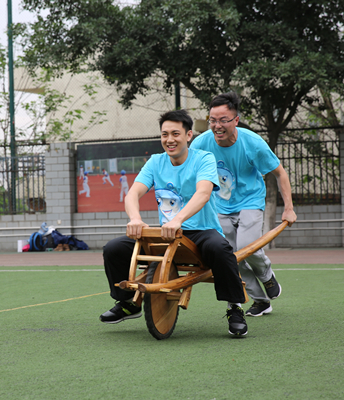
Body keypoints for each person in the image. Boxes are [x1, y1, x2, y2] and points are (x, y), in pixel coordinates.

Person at [100, 109, 249, 337]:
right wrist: (135, 219)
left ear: (188, 135)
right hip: (167, 235)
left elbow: (203, 193)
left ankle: (235, 307)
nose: (169, 139)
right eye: (165, 134)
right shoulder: (155, 162)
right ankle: (128, 303)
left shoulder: (204, 159)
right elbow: (132, 194)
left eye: (175, 134)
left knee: (220, 249)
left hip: (200, 232)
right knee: (114, 249)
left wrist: (178, 219)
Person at [190, 92, 297, 317]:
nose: (217, 126)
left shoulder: (253, 143)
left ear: (236, 120)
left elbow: (280, 173)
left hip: (250, 200)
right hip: (220, 206)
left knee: (247, 247)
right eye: (212, 120)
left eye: (223, 120)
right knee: (230, 258)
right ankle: (261, 301)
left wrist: (289, 208)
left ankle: (266, 275)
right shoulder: (201, 144)